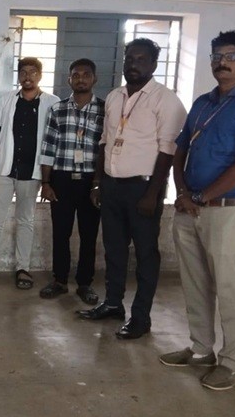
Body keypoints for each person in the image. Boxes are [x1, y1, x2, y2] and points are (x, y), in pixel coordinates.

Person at [160, 31, 235, 390]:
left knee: (228, 286)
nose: (222, 62)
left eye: (231, 56)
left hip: (231, 210)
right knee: (195, 281)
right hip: (191, 208)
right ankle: (201, 349)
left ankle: (232, 362)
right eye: (217, 56)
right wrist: (184, 193)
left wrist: (200, 197)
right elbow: (181, 151)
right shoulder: (203, 103)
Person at [78, 38, 186, 340]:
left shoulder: (166, 100)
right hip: (112, 186)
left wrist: (153, 193)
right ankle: (113, 303)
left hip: (143, 189)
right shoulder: (115, 97)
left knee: (145, 254)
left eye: (141, 59)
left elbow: (168, 151)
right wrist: (99, 182)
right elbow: (105, 142)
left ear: (153, 64)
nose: (133, 65)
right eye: (129, 59)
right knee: (113, 250)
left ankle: (141, 317)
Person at [0, 57, 59, 289]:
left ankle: (23, 268)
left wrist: (49, 178)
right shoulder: (6, 100)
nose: (27, 76)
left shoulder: (52, 103)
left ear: (40, 76)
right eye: (23, 72)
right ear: (19, 76)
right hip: (4, 170)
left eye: (33, 72)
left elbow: (54, 141)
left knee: (26, 220)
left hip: (33, 172)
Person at [39, 59, 105, 305]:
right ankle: (59, 280)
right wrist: (46, 183)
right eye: (76, 75)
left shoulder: (105, 110)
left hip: (91, 181)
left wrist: (100, 183)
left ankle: (85, 283)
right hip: (62, 179)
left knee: (89, 234)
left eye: (86, 75)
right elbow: (48, 148)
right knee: (61, 232)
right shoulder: (57, 109)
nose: (80, 79)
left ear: (94, 79)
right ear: (69, 80)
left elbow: (107, 148)